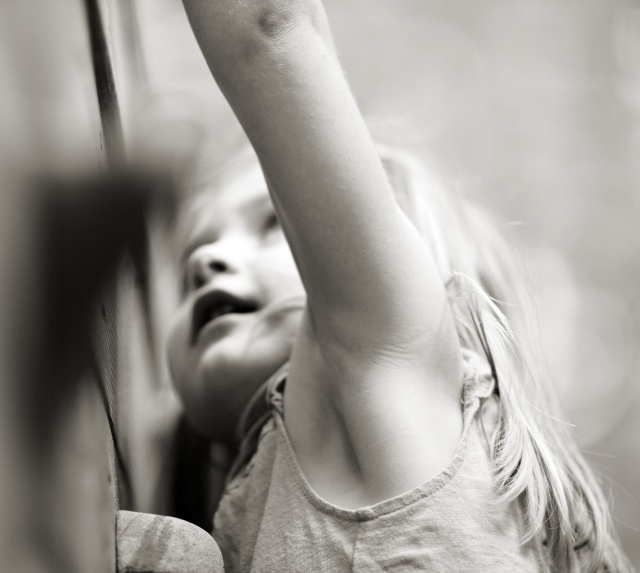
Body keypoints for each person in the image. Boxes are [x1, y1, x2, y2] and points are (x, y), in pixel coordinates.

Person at [166, 0, 634, 571]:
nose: (207, 258)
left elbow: (268, 26)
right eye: (191, 250)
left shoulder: (391, 364)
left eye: (273, 224)